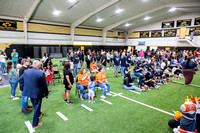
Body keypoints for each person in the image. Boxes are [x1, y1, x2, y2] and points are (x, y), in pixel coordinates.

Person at [18, 60, 48, 129]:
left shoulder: (26, 71)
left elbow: (20, 80)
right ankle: (35, 124)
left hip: (29, 92)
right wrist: (46, 93)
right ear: (39, 66)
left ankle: (39, 113)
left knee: (35, 105)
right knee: (36, 107)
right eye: (40, 65)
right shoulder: (41, 73)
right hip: (37, 93)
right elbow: (44, 85)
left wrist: (24, 88)